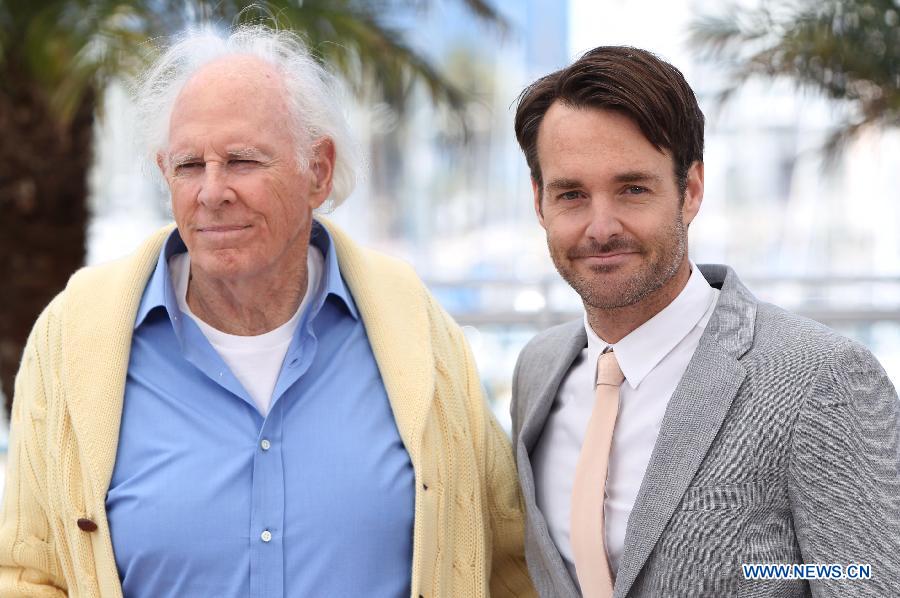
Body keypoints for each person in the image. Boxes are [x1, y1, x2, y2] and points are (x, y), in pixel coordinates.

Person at [0, 25, 535, 598]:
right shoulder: (72, 339)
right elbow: (28, 573)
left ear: (319, 171)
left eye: (242, 160)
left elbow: (502, 557)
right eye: (187, 166)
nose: (211, 191)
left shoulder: (420, 334)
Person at [510, 46, 900, 598]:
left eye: (632, 189)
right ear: (538, 203)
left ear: (690, 191)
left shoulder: (823, 378)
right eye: (571, 194)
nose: (601, 227)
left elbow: (867, 580)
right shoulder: (537, 370)